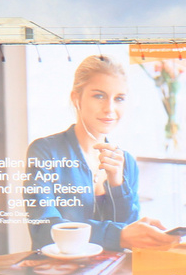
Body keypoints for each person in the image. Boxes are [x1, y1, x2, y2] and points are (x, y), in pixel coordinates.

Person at [25, 53, 176, 252]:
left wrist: (117, 185)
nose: (110, 109)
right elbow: (43, 230)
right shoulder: (45, 152)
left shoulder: (126, 162)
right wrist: (120, 234)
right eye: (99, 96)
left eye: (119, 98)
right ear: (76, 98)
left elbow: (130, 242)